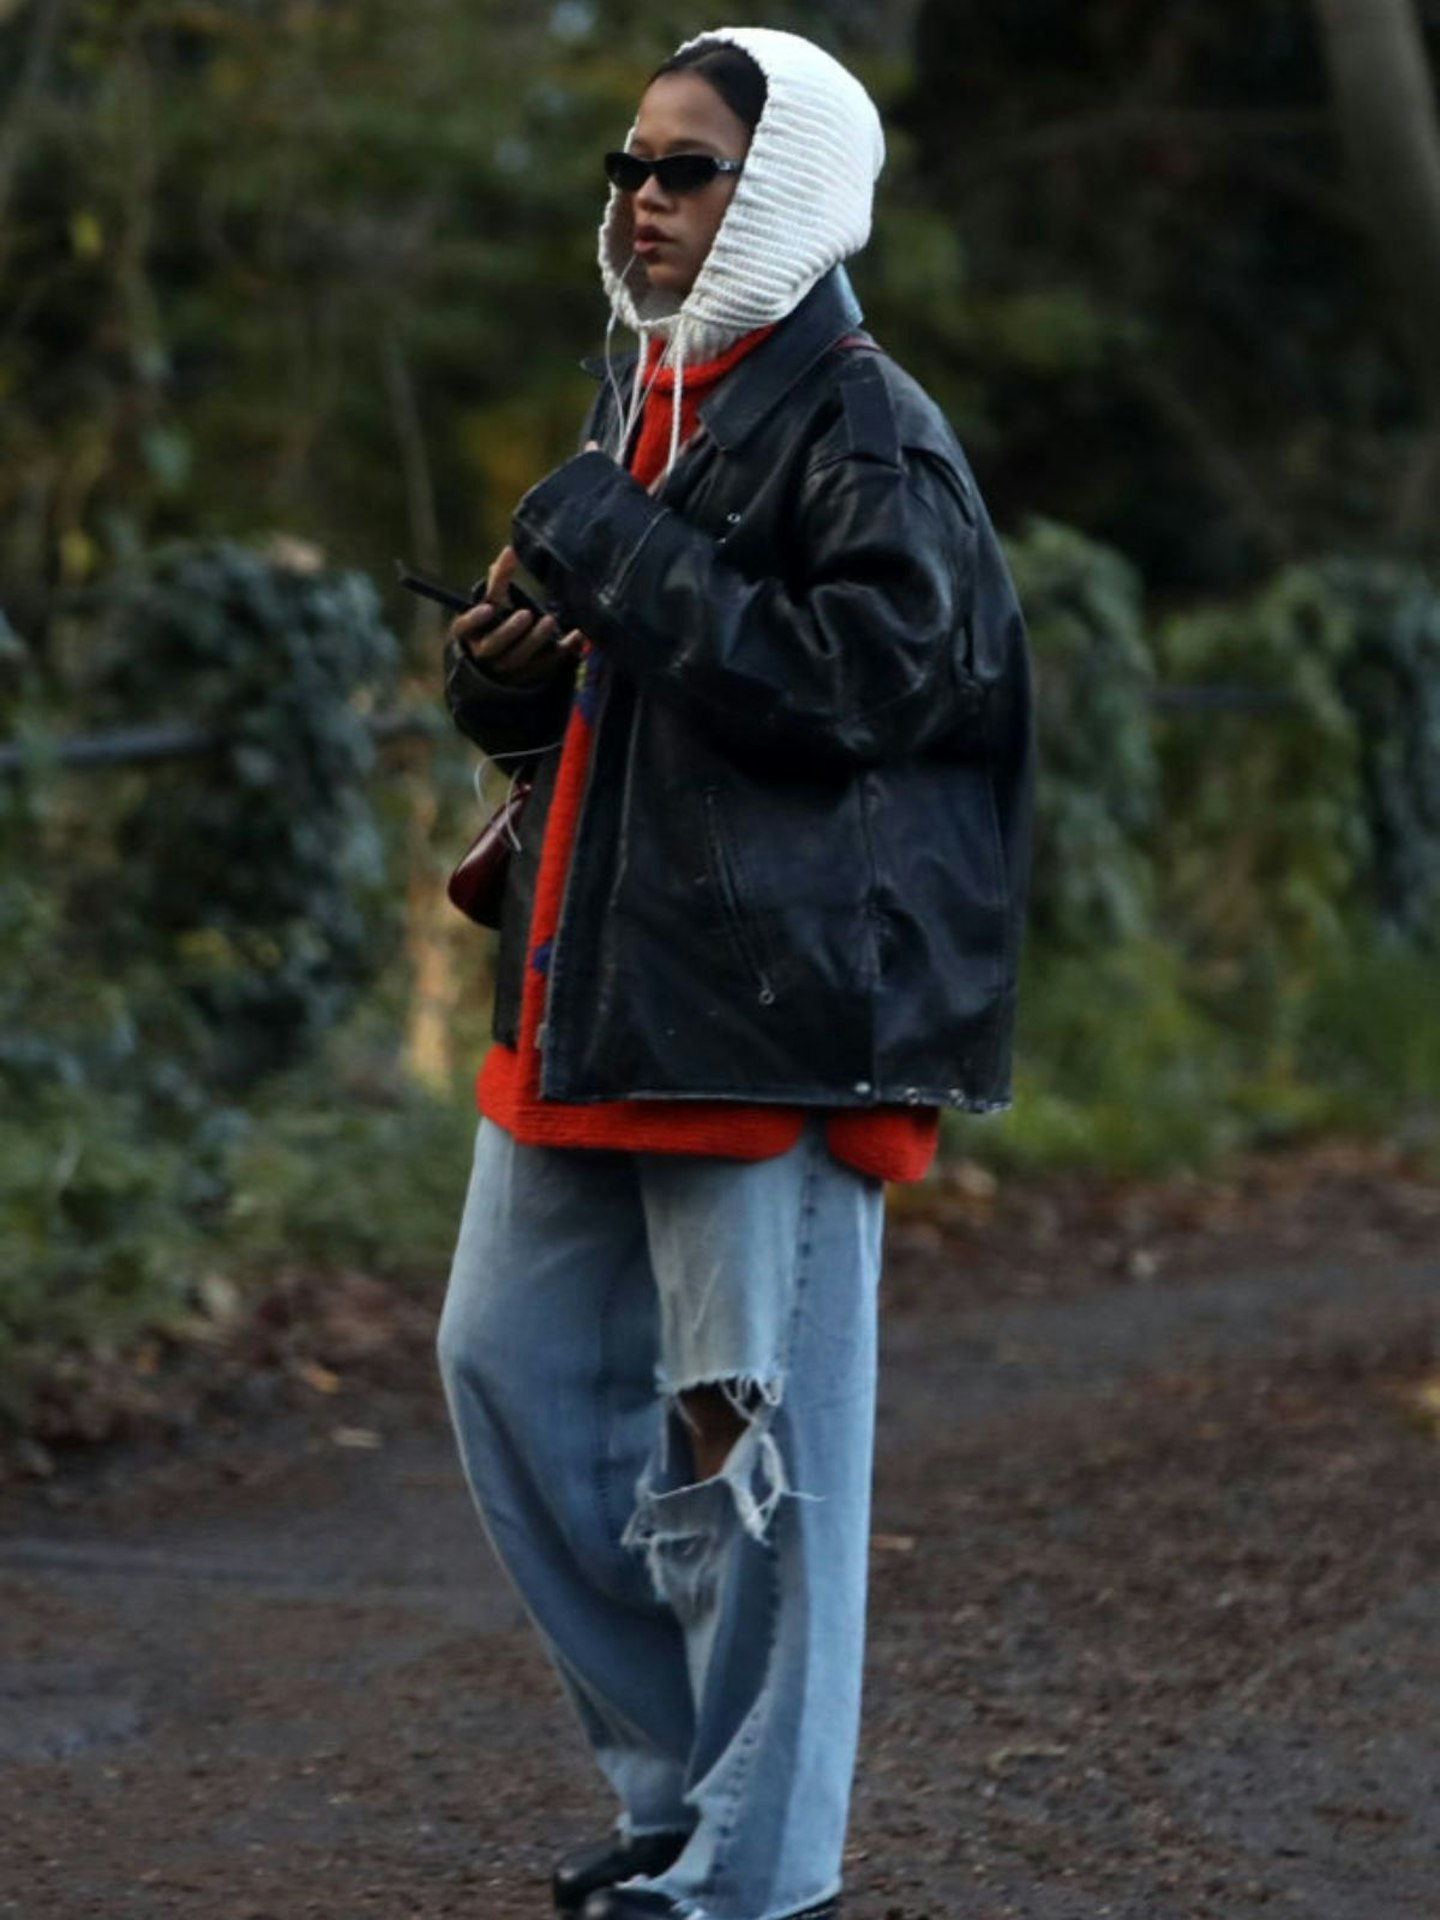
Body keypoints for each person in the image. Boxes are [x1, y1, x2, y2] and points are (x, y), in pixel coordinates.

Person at [436, 27, 1032, 1920]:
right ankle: (689, 1790)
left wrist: (609, 545)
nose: (639, 201)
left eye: (684, 170)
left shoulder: (865, 422)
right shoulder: (653, 399)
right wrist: (503, 668)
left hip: (762, 1019)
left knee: (750, 1454)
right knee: (506, 1373)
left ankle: (751, 1875)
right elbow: (635, 674)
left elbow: (877, 689)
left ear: (780, 193)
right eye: (628, 166)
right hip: (598, 985)